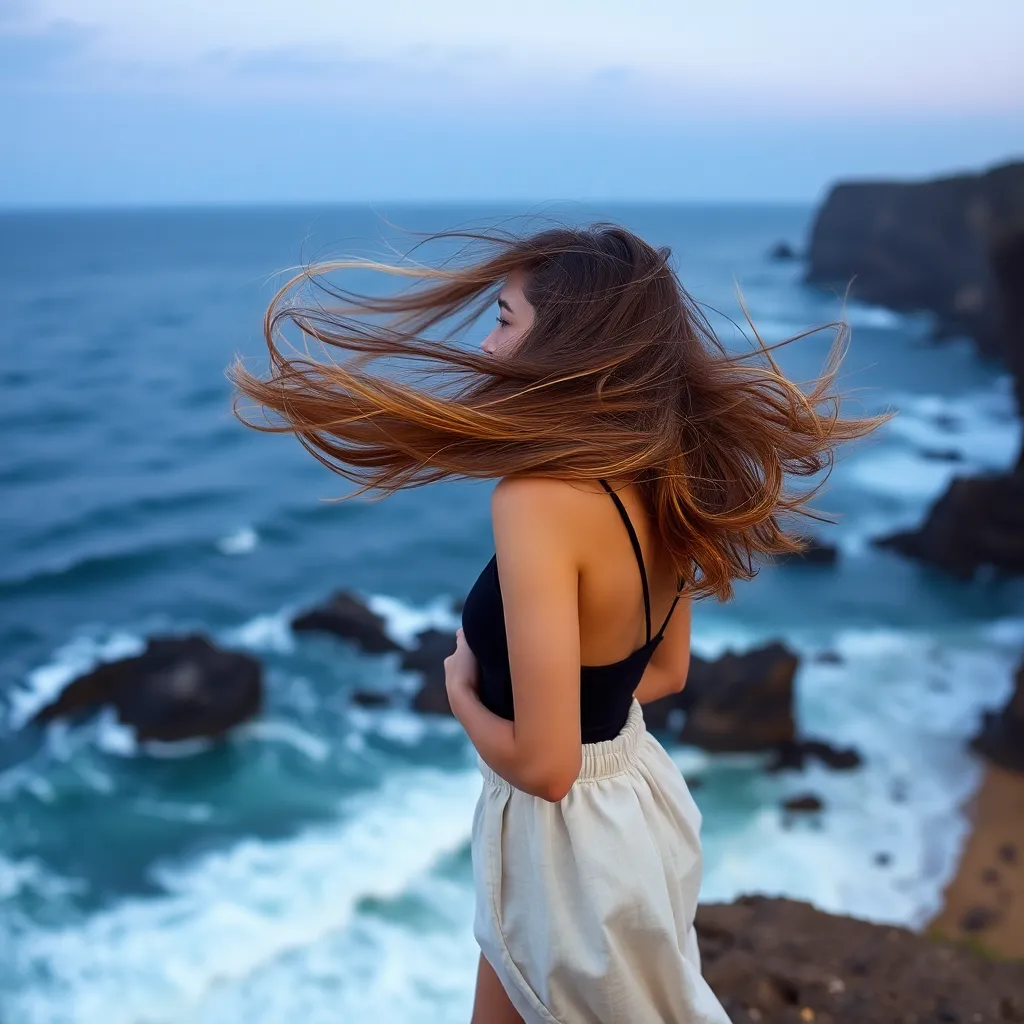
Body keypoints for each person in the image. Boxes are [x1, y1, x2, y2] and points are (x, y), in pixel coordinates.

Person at [230, 224, 888, 1023]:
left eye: (504, 317)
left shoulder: (537, 501)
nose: (487, 339)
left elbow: (545, 768)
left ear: (567, 341)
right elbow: (667, 672)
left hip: (565, 842)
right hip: (635, 808)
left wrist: (461, 691)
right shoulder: (661, 467)